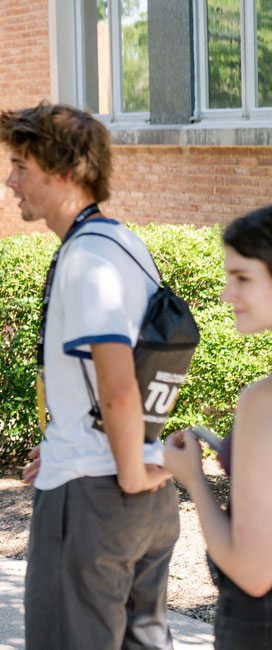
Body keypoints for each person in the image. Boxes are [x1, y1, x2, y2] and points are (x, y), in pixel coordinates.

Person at [0, 103, 178, 650]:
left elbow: (118, 387)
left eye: (21, 166)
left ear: (66, 172)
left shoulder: (86, 258)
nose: (11, 181)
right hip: (138, 497)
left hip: (96, 500)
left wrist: (124, 471)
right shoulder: (124, 244)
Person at [163, 206, 272, 649]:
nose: (228, 294)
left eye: (242, 277)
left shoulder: (263, 401)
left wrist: (193, 478)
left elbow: (252, 572)